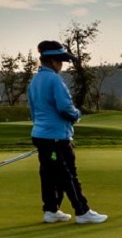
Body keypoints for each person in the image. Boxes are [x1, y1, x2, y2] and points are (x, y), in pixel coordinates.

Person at [27, 40, 107, 224]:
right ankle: (82, 211)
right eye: (61, 61)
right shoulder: (54, 79)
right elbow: (65, 107)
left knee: (48, 174)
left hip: (41, 135)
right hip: (56, 137)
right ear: (53, 61)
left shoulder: (35, 80)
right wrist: (76, 115)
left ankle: (51, 210)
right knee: (67, 174)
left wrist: (42, 132)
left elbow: (33, 110)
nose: (62, 65)